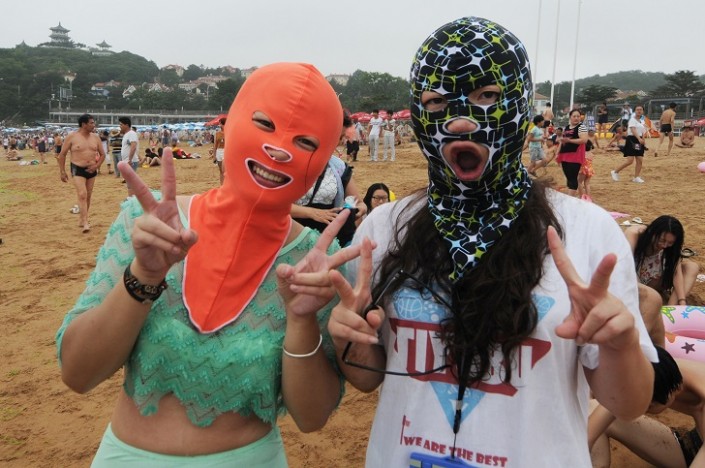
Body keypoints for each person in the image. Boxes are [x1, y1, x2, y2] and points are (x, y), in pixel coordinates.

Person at [325, 17, 656, 467]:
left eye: (487, 96)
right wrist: (350, 338)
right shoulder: (383, 231)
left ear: (519, 101)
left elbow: (628, 404)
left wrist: (619, 346)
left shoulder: (586, 232)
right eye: (438, 101)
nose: (461, 121)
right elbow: (367, 377)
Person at [56, 62, 354, 466]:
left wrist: (301, 321)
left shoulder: (316, 266)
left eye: (306, 142)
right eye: (264, 123)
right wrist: (144, 275)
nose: (279, 149)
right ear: (232, 123)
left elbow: (312, 417)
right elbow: (78, 373)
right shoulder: (148, 225)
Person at [589, 347, 704, 468]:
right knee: (592, 408)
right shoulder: (656, 371)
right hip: (691, 444)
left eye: (648, 407)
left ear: (677, 390)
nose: (640, 411)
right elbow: (591, 431)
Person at [291, 119, 367, 247]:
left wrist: (360, 208)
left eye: (341, 137)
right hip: (293, 236)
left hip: (330, 238)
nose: (339, 142)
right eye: (336, 136)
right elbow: (272, 206)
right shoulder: (288, 162)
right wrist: (311, 213)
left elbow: (357, 201)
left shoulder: (339, 167)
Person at [625, 215, 700, 306]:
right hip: (634, 281)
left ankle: (671, 308)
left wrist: (682, 300)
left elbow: (676, 272)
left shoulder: (671, 247)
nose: (664, 245)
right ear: (653, 232)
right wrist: (642, 291)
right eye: (661, 240)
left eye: (670, 243)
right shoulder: (635, 234)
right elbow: (627, 265)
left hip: (656, 281)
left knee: (692, 267)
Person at [57, 114, 106, 234]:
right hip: (77, 168)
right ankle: (85, 222)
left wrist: (96, 166)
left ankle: (82, 218)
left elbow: (102, 154)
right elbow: (62, 155)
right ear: (84, 124)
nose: (94, 125)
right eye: (91, 123)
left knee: (88, 195)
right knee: (82, 194)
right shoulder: (72, 137)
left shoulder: (95, 137)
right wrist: (62, 171)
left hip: (92, 169)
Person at [556, 108, 588, 196]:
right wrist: (557, 153)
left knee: (573, 178)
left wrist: (569, 140)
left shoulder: (581, 127)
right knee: (569, 178)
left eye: (578, 116)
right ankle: (571, 196)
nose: (576, 118)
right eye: (574, 116)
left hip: (575, 156)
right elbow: (562, 141)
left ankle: (570, 198)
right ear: (570, 117)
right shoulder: (566, 127)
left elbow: (584, 140)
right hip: (564, 155)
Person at [611, 104, 647, 183]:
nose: (639, 111)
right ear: (634, 111)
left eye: (641, 109)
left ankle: (636, 177)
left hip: (639, 140)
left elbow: (643, 131)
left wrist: (643, 140)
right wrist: (639, 138)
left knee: (640, 159)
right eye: (637, 109)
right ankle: (615, 172)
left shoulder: (642, 121)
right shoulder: (632, 120)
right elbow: (633, 130)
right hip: (632, 140)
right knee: (630, 160)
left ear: (643, 111)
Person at [119, 118, 140, 197]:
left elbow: (133, 146)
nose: (120, 126)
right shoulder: (127, 134)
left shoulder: (131, 133)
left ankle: (131, 199)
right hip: (128, 161)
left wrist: (130, 159)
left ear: (126, 125)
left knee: (130, 183)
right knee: (129, 182)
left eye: (121, 124)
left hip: (131, 161)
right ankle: (132, 198)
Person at [577, 129, 599, 201]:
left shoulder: (582, 153)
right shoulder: (591, 154)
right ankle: (588, 197)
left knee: (579, 182)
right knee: (587, 183)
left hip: (583, 169)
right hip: (590, 169)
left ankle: (581, 197)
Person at [213, 117, 226, 184]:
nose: (219, 125)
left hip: (225, 151)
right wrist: (214, 156)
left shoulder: (228, 132)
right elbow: (215, 145)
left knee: (224, 170)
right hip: (219, 152)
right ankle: (222, 186)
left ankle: (226, 185)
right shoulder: (217, 134)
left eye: (220, 123)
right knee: (221, 171)